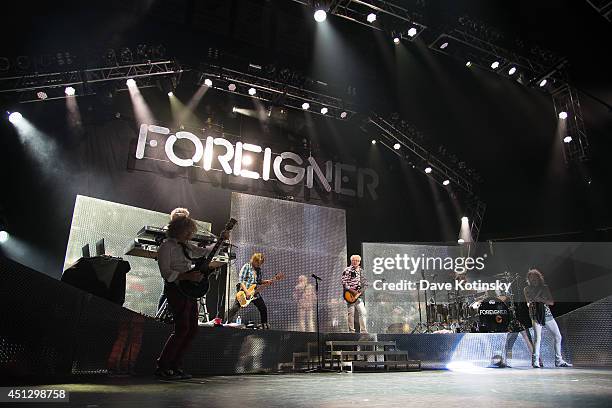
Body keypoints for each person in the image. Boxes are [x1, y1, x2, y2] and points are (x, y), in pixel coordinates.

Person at [155, 208, 227, 380]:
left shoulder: (185, 246)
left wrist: (221, 241)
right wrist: (187, 275)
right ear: (180, 230)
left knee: (192, 329)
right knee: (182, 328)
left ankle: (175, 365)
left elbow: (205, 252)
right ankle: (163, 366)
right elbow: (166, 273)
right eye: (188, 231)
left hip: (188, 290)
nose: (190, 234)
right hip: (176, 289)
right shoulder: (166, 247)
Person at [523, 268, 572, 368]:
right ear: (529, 279)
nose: (533, 280)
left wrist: (541, 299)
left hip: (547, 315)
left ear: (539, 277)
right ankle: (535, 362)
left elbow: (551, 302)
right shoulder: (527, 289)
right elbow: (529, 302)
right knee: (538, 338)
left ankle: (559, 360)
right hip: (535, 315)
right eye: (531, 278)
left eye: (535, 277)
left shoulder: (544, 288)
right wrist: (536, 299)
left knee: (558, 336)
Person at [226, 253, 270, 329]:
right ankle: (226, 322)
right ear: (254, 260)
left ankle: (264, 324)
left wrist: (266, 281)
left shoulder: (259, 270)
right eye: (258, 263)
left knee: (263, 307)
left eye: (260, 263)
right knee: (235, 308)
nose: (259, 265)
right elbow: (241, 280)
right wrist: (246, 292)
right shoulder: (247, 266)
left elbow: (258, 281)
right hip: (244, 291)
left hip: (254, 292)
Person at [342, 254, 368, 333]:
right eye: (353, 260)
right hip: (349, 295)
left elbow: (365, 283)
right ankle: (351, 331)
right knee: (351, 313)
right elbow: (344, 282)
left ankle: (363, 330)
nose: (355, 262)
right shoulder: (347, 270)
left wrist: (360, 292)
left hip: (359, 296)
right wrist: (352, 291)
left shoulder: (361, 271)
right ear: (351, 261)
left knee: (363, 312)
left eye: (357, 260)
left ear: (359, 262)